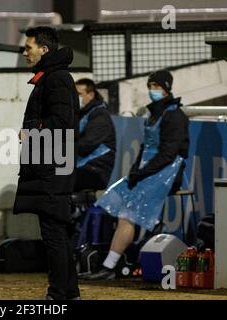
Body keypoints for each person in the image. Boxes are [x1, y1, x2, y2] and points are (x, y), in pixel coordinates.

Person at [87, 69, 189, 280]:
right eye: (150, 86)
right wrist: (135, 171)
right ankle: (115, 259)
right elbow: (145, 148)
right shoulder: (154, 115)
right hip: (146, 172)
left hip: (164, 174)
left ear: (167, 88)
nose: (153, 91)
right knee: (111, 200)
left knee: (127, 215)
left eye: (157, 87)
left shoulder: (175, 116)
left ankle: (110, 266)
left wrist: (142, 173)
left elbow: (168, 155)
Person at [12, 26, 80, 300]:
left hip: (51, 169)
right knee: (58, 234)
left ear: (45, 49)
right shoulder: (53, 78)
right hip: (50, 168)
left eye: (28, 47)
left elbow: (63, 123)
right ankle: (70, 294)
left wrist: (31, 130)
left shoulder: (56, 79)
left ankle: (56, 296)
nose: (24, 52)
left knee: (54, 235)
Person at [74, 78, 116, 192]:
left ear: (91, 95)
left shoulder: (100, 116)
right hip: (85, 165)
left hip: (97, 168)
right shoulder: (84, 114)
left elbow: (86, 145)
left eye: (79, 94)